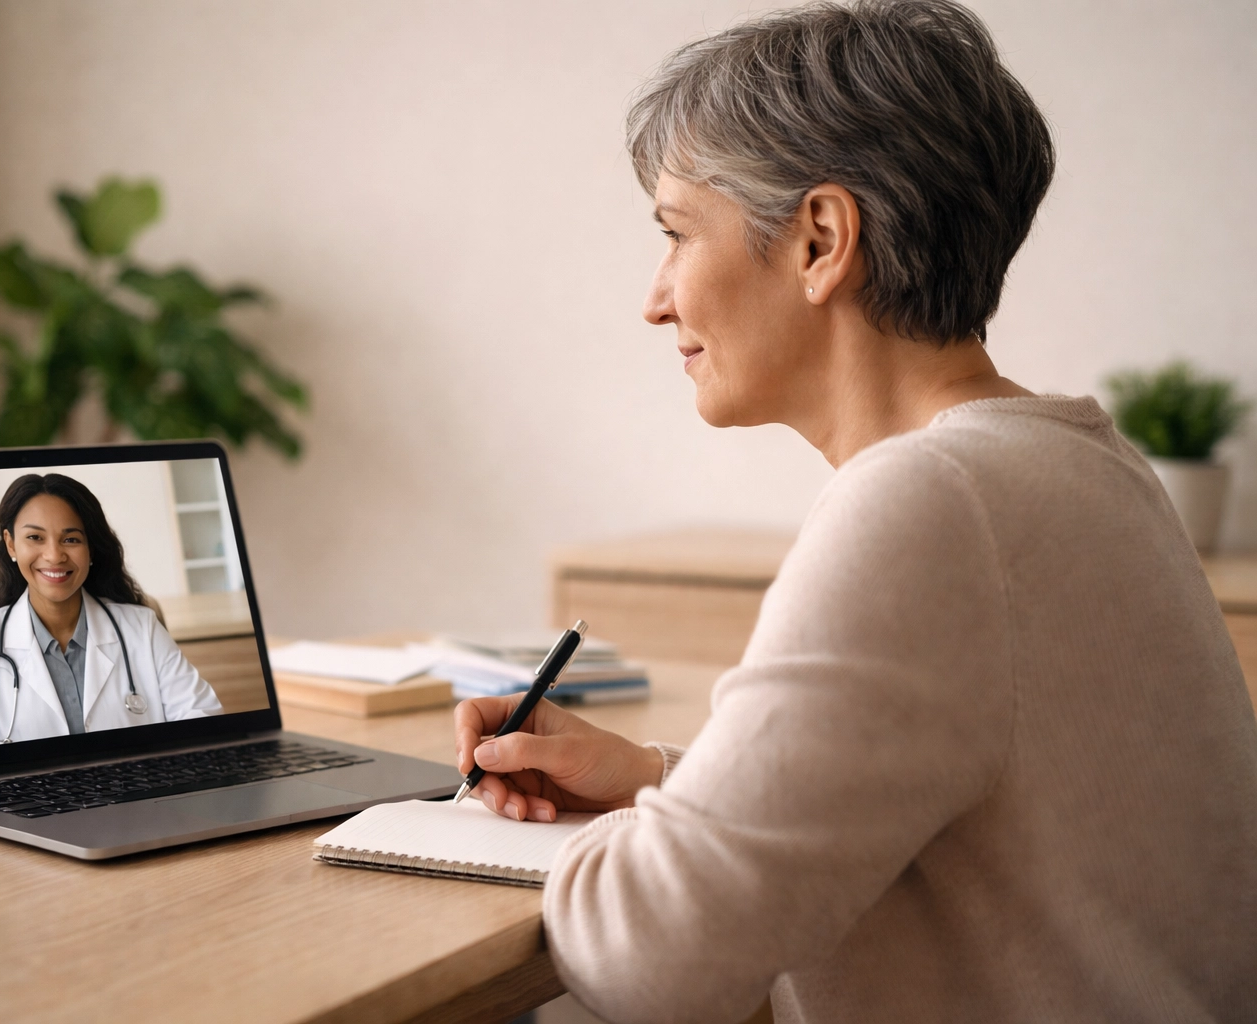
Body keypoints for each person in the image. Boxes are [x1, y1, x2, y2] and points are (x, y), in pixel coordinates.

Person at [453, 2, 1257, 1021]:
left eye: (675, 235)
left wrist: (604, 846)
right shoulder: (1084, 466)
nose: (655, 299)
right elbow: (957, 809)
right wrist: (659, 781)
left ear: (822, 240)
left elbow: (654, 960)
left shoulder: (929, 503)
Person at [0, 473, 221, 752]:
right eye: (35, 538)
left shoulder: (142, 627)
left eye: (71, 539)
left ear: (91, 548)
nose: (54, 555)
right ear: (11, 544)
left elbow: (204, 721)